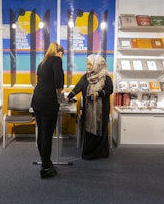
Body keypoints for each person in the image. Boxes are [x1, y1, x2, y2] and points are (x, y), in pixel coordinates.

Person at [67, 54, 113, 160]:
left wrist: (98, 93)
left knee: (100, 130)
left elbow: (109, 90)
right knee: (88, 130)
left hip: (101, 110)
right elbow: (78, 87)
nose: (88, 66)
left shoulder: (106, 77)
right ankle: (89, 153)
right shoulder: (86, 77)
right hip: (88, 109)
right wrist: (69, 97)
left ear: (97, 65)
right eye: (87, 64)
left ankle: (101, 153)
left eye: (90, 64)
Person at [31, 42, 64, 179]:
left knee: (41, 134)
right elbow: (59, 82)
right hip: (48, 102)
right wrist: (59, 97)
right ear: (58, 52)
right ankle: (46, 168)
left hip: (37, 100)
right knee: (47, 135)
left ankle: (45, 162)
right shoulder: (56, 60)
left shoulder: (42, 62)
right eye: (62, 54)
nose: (62, 57)